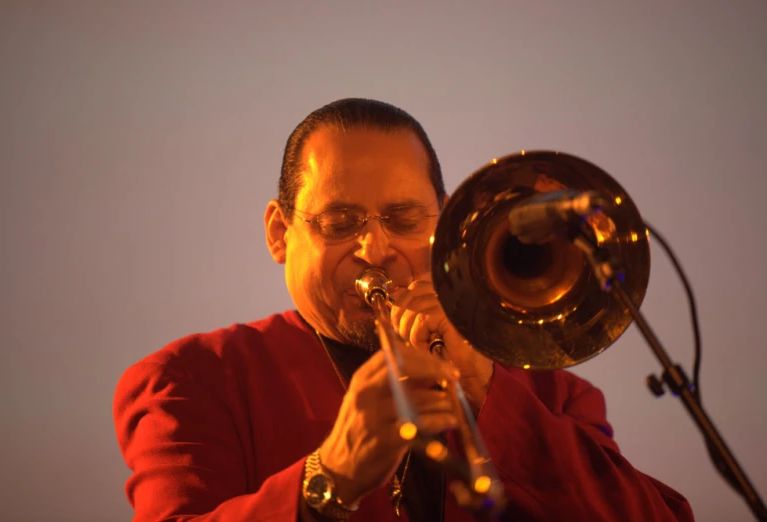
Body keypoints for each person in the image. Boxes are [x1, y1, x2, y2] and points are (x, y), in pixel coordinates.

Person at [113, 97, 696, 522]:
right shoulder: (188, 380)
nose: (374, 249)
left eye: (403, 219)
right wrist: (329, 479)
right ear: (278, 233)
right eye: (340, 223)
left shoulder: (551, 394)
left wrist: (488, 389)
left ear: (443, 223)